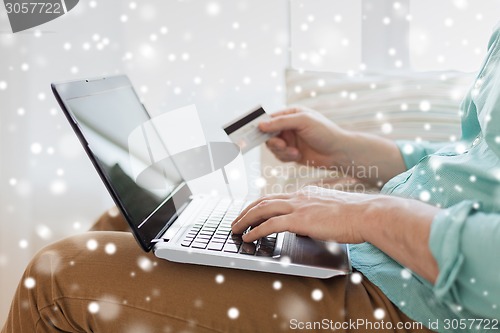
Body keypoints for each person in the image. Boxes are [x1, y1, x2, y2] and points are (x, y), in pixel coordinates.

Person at [3, 24, 500, 333]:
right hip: (394, 261)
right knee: (126, 221)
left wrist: (369, 213)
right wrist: (347, 149)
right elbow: (475, 158)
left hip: (432, 308)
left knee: (55, 279)